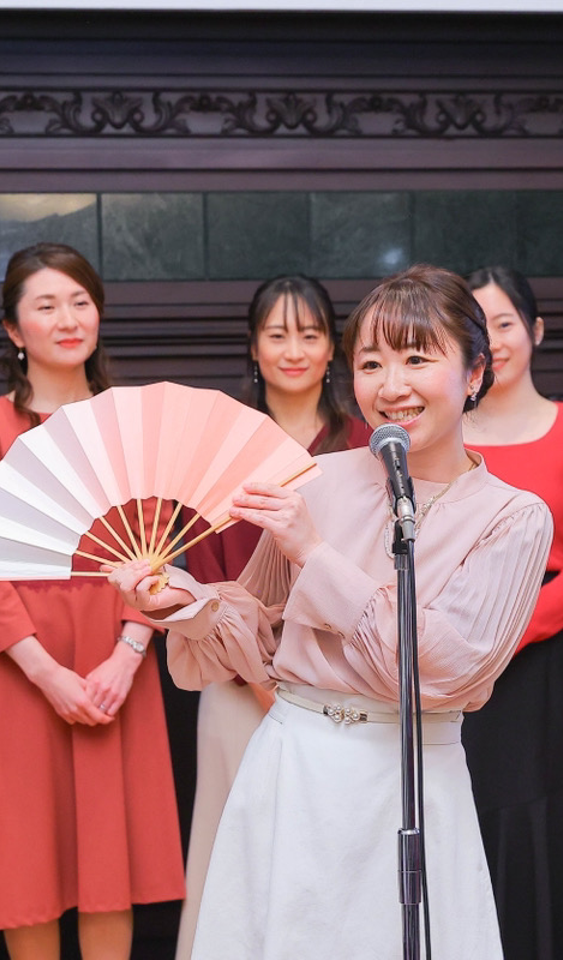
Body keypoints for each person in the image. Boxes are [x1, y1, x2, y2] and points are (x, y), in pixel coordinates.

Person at [109, 263, 551, 960]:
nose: (391, 385)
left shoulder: (514, 518)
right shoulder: (314, 482)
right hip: (293, 766)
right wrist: (184, 603)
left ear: (474, 374)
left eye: (417, 358)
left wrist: (316, 555)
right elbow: (258, 635)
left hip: (412, 777)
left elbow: (441, 672)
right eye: (371, 363)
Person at [0, 243, 185, 959]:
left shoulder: (135, 422)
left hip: (118, 657)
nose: (68, 319)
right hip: (22, 663)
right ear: (14, 329)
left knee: (112, 867)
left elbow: (159, 541)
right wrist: (45, 672)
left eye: (80, 302)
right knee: (26, 862)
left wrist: (128, 654)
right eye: (46, 306)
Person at [175, 275, 370, 960]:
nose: (294, 350)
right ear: (253, 347)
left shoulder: (364, 444)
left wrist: (307, 679)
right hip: (237, 689)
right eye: (277, 334)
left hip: (341, 691)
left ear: (332, 348)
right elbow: (203, 574)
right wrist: (260, 678)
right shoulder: (218, 445)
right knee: (236, 858)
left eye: (310, 334)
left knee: (335, 863)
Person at [460, 266, 563, 959]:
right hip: (455, 652)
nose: (494, 341)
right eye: (477, 328)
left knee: (550, 807)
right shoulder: (441, 433)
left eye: (505, 324)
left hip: (550, 657)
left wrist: (518, 629)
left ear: (536, 331)